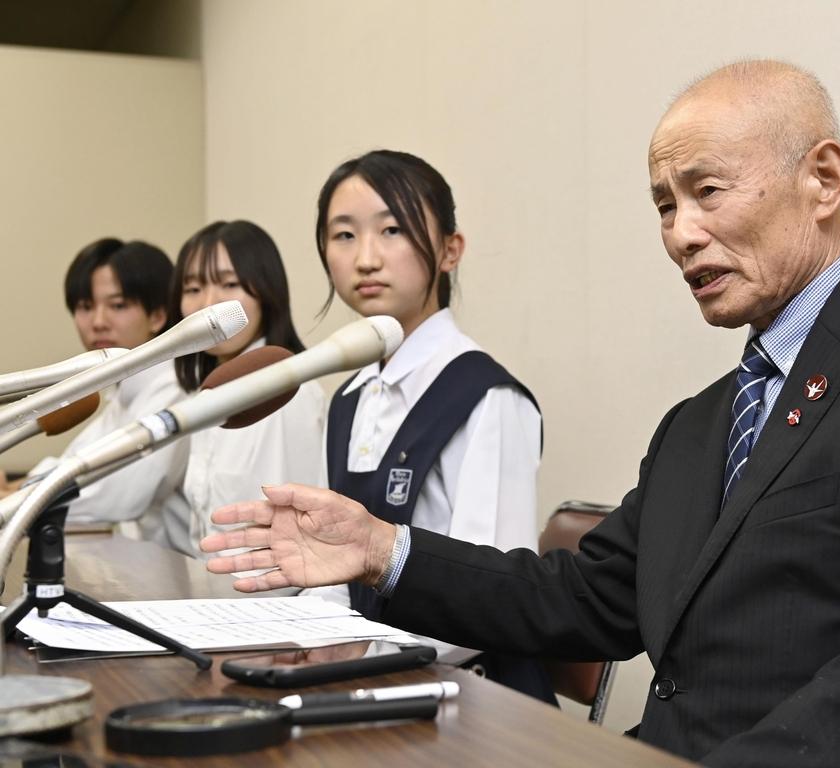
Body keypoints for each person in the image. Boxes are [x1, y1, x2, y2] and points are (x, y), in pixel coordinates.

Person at [202, 61, 840, 766]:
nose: (681, 234)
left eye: (707, 191)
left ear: (822, 179)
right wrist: (383, 551)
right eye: (663, 205)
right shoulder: (699, 424)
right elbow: (586, 597)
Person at [306, 150, 549, 700]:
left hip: (471, 699)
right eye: (343, 236)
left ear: (449, 249)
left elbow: (493, 593)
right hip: (365, 683)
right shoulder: (348, 397)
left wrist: (361, 659)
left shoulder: (491, 398)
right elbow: (332, 573)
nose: (366, 258)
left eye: (392, 229)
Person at [1, 238, 189, 539]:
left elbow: (115, 493)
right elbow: (75, 464)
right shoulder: (122, 393)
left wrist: (12, 498)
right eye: (85, 307)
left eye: (118, 305)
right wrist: (13, 489)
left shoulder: (174, 389)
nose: (98, 322)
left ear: (157, 315)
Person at [160, 220, 325, 558]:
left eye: (229, 284)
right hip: (211, 595)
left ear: (266, 292)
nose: (209, 305)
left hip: (268, 603)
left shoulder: (287, 390)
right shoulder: (207, 393)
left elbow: (292, 543)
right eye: (192, 289)